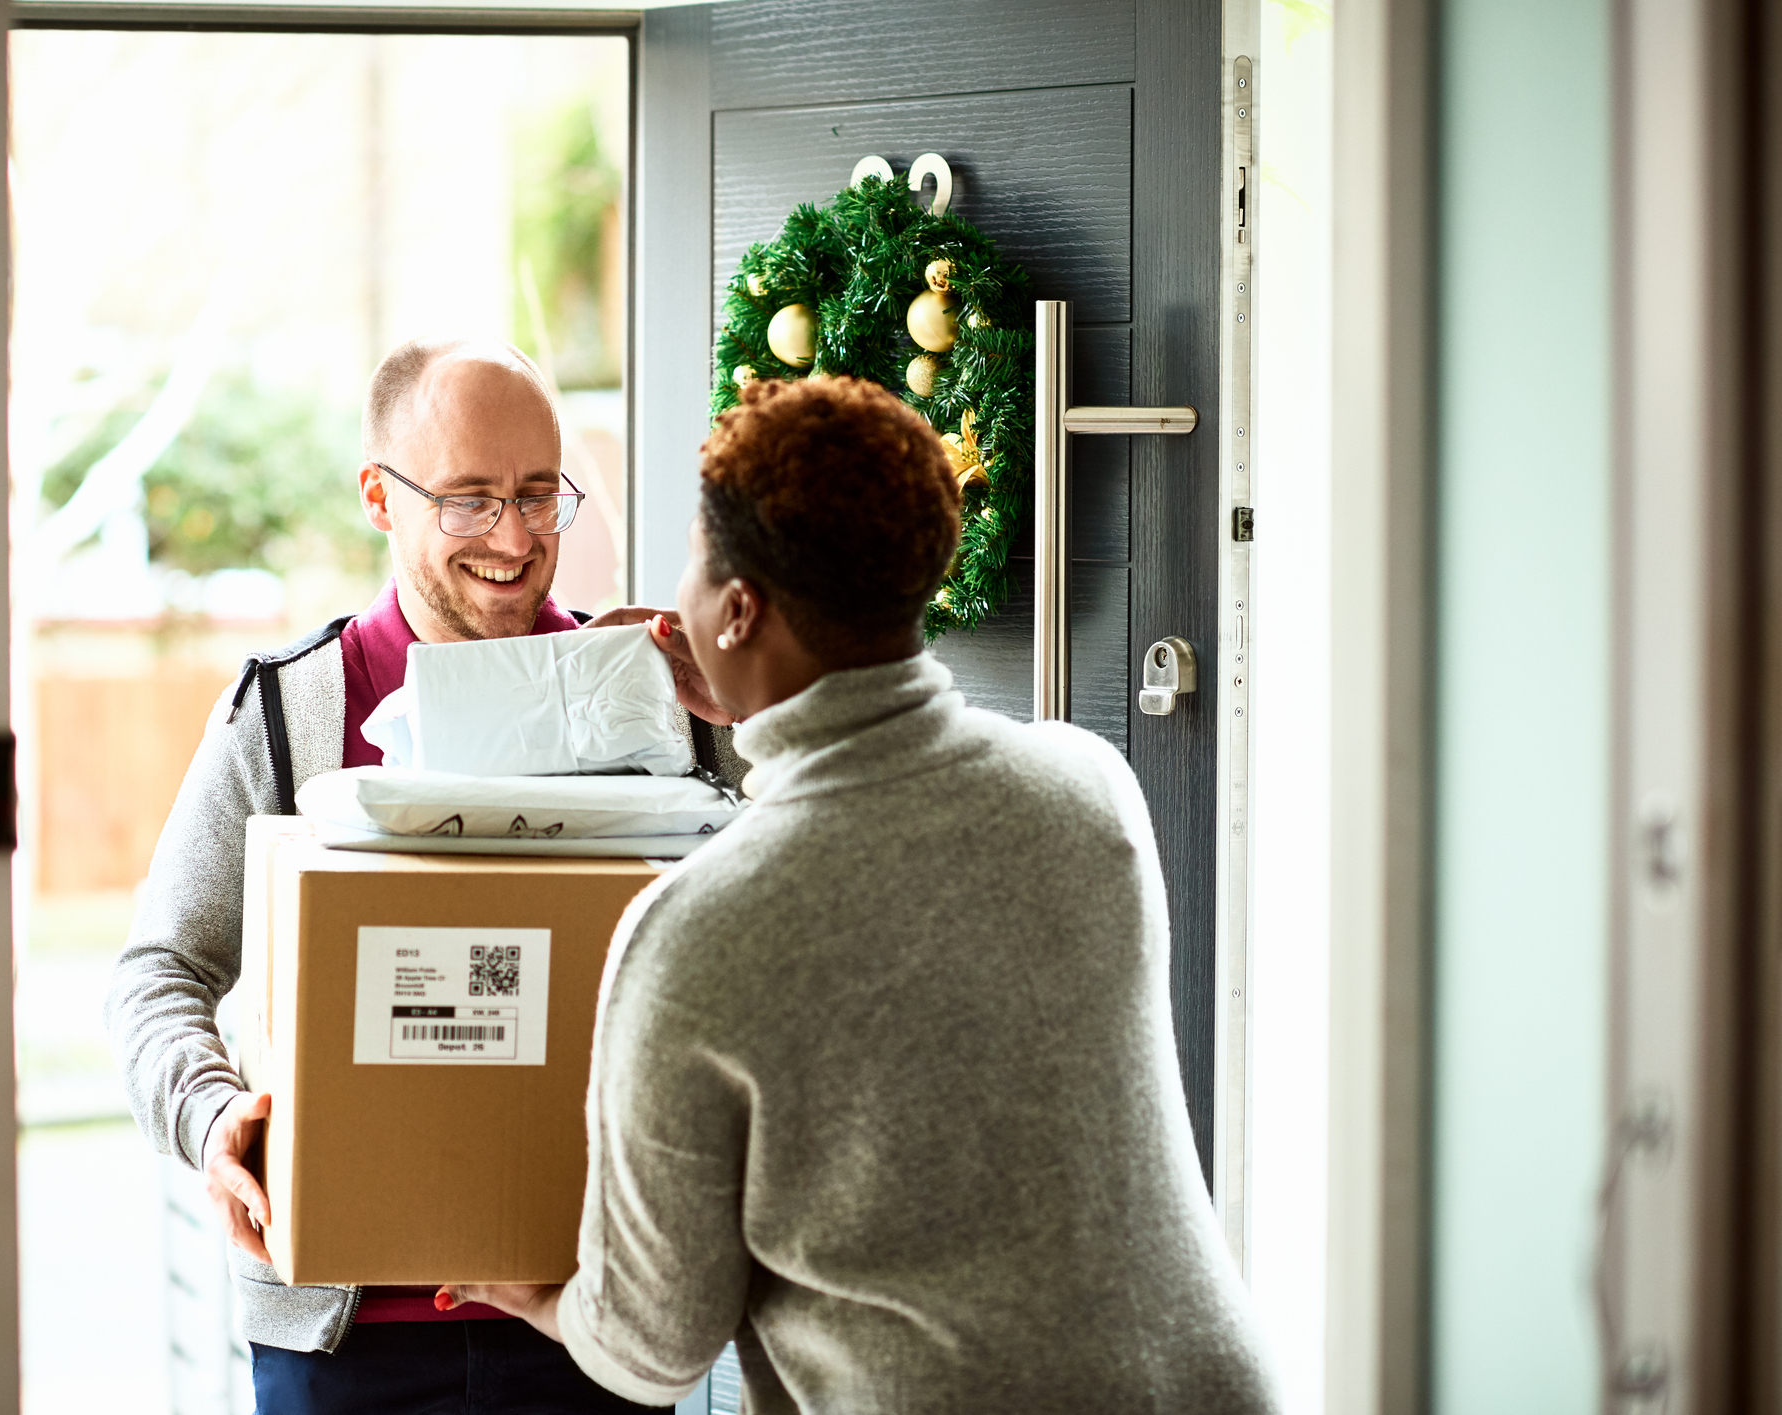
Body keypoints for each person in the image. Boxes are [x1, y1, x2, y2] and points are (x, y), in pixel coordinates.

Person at [438, 376, 1280, 1413]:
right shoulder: (1084, 785)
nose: (683, 598)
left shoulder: (696, 931)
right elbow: (881, 836)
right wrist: (759, 713)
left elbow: (653, 1346)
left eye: (697, 570)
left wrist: (543, 1297)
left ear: (737, 608)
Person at [106, 338, 716, 1414]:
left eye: (538, 494)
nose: (518, 538)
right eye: (471, 499)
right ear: (379, 497)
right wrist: (210, 1117)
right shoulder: (290, 712)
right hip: (345, 1343)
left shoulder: (647, 693)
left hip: (592, 1318)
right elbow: (158, 968)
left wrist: (740, 711)